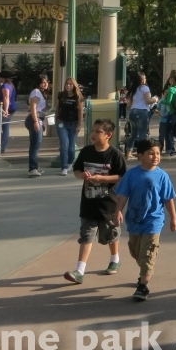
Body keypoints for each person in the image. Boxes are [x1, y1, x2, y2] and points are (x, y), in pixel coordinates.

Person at [114, 138, 176, 301]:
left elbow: (168, 198)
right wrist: (118, 211)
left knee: (148, 253)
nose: (155, 156)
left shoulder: (162, 175)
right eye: (151, 153)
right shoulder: (132, 174)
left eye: (158, 153)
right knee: (136, 251)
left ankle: (143, 286)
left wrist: (173, 218)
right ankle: (144, 272)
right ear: (140, 155)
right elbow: (123, 195)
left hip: (154, 220)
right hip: (135, 219)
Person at [64, 119, 127, 284]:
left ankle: (115, 259)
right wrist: (82, 176)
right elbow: (77, 170)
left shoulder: (115, 154)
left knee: (110, 235)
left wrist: (102, 178)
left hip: (109, 203)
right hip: (88, 202)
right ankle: (79, 270)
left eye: (98, 132)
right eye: (92, 131)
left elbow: (122, 176)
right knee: (86, 235)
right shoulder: (86, 151)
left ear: (108, 135)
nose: (93, 134)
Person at [57, 77, 85, 175]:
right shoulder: (61, 95)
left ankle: (70, 162)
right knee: (64, 145)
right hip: (62, 123)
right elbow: (58, 107)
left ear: (74, 85)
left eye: (70, 84)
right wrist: (56, 118)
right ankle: (64, 167)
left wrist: (79, 125)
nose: (68, 85)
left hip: (73, 124)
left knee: (71, 147)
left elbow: (80, 112)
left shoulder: (78, 97)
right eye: (67, 84)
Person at [126, 72, 156, 157]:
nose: (146, 79)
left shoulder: (133, 89)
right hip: (142, 111)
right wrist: (155, 99)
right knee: (142, 134)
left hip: (133, 112)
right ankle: (141, 153)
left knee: (133, 134)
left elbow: (129, 104)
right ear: (141, 80)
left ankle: (129, 152)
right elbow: (148, 101)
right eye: (144, 78)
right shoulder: (145, 88)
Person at [26, 75, 49, 177]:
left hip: (39, 119)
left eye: (46, 82)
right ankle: (32, 168)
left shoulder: (41, 93)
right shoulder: (36, 91)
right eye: (43, 82)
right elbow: (33, 107)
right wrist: (36, 121)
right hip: (35, 119)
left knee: (36, 144)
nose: (45, 84)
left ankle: (34, 166)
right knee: (35, 145)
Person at [0, 71, 16, 154]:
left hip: (6, 108)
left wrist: (5, 109)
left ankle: (2, 144)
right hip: (12, 107)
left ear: (3, 78)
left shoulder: (5, 86)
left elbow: (6, 97)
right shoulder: (11, 85)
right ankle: (2, 147)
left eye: (0, 77)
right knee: (5, 127)